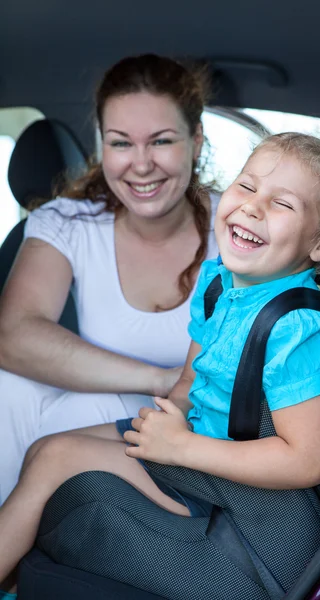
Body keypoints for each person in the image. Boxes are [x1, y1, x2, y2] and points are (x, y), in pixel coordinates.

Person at [0, 132, 320, 595]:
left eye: (282, 204)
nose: (252, 207)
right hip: (197, 445)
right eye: (246, 187)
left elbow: (306, 460)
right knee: (45, 448)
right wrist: (170, 419)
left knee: (55, 458)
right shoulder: (216, 283)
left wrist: (180, 449)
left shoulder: (290, 327)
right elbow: (189, 380)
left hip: (241, 495)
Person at [0, 54, 220, 505]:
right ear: (103, 145)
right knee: (13, 388)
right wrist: (159, 379)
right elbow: (12, 335)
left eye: (160, 141)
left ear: (196, 141)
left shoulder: (237, 227)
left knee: (85, 408)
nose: (141, 165)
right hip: (107, 423)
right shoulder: (68, 222)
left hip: (193, 438)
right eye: (121, 143)